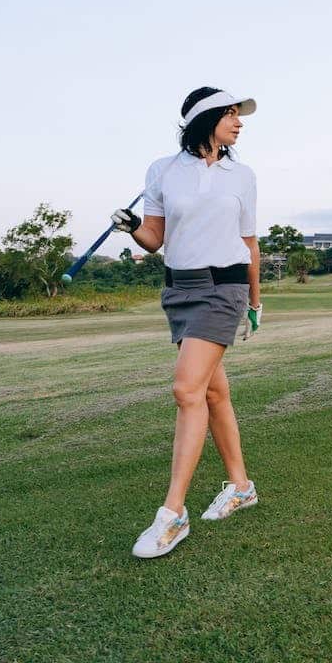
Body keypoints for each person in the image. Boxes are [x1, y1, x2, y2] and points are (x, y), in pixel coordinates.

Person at [113, 87, 263, 558]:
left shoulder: (242, 175)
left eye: (239, 115)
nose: (239, 123)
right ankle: (241, 486)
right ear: (206, 118)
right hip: (179, 289)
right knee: (212, 392)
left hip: (224, 287)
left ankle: (172, 513)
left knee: (186, 390)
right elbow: (155, 238)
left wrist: (256, 303)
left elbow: (250, 241)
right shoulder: (163, 170)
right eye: (232, 114)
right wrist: (131, 224)